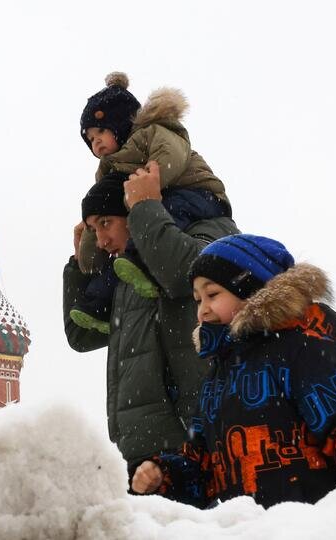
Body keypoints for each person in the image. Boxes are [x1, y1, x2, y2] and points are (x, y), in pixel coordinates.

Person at [130, 234, 336, 508]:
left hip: (307, 526)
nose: (202, 311)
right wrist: (166, 474)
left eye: (212, 295)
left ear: (250, 290)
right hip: (247, 529)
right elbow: (203, 464)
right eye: (198, 300)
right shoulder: (217, 376)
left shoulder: (300, 351)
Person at [63, 161, 239, 472]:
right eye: (93, 230)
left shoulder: (206, 229)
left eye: (105, 223)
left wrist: (145, 206)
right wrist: (79, 267)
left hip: (197, 443)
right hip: (141, 451)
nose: (101, 240)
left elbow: (182, 272)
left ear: (131, 212)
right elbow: (82, 335)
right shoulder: (124, 275)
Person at [70, 72, 232, 332]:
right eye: (90, 138)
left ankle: (138, 260)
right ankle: (96, 305)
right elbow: (99, 203)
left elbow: (170, 157)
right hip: (153, 204)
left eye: (100, 131)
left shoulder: (152, 133)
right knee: (125, 259)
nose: (96, 141)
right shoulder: (108, 168)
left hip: (198, 195)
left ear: (120, 123)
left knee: (163, 217)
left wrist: (143, 196)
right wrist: (86, 255)